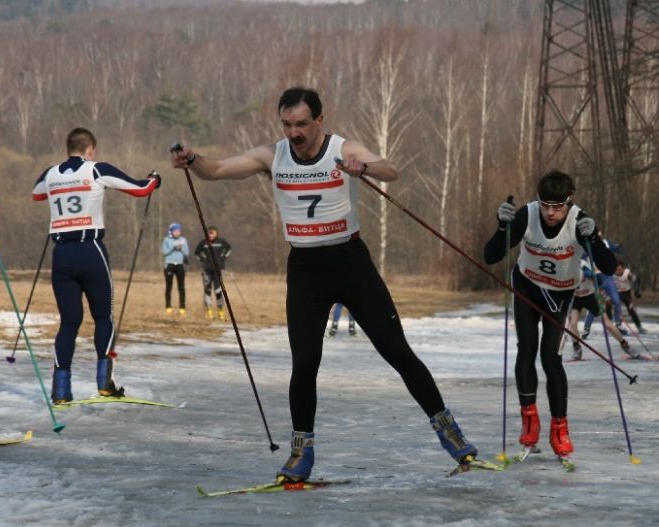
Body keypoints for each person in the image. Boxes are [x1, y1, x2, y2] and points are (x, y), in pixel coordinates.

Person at [170, 86, 480, 482]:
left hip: (350, 263)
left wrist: (361, 168)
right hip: (305, 269)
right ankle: (301, 454)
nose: (293, 133)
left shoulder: (343, 148)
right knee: (304, 364)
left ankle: (452, 437)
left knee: (396, 351)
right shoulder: (273, 154)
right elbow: (216, 170)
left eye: (301, 124)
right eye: (286, 124)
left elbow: (390, 169)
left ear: (319, 120)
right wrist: (193, 159)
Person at [484, 171, 616, 461]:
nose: (550, 213)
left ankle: (560, 429)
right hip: (527, 289)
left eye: (558, 206)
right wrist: (501, 226)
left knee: (550, 358)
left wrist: (593, 236)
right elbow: (491, 256)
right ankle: (530, 422)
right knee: (526, 350)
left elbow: (608, 267)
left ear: (569, 202)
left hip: (560, 295)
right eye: (546, 205)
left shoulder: (580, 221)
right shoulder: (526, 215)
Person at [32, 127, 159, 404]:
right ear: (90, 149)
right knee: (103, 317)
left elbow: (37, 194)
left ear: (68, 148)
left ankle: (61, 391)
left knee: (69, 323)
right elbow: (141, 189)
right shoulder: (96, 169)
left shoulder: (50, 173)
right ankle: (104, 383)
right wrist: (154, 179)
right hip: (90, 250)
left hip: (61, 255)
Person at [566, 258, 641, 361]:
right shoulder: (563, 268)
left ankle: (625, 345)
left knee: (608, 324)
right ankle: (577, 349)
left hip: (591, 298)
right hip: (577, 299)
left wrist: (589, 274)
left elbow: (597, 279)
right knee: (573, 323)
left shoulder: (582, 263)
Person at [194, 225, 232, 320]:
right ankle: (209, 311)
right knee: (207, 290)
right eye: (209, 233)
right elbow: (196, 253)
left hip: (218, 270)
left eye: (212, 233)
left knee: (218, 290)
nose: (210, 235)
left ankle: (220, 311)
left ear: (216, 233)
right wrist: (203, 258)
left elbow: (229, 249)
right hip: (206, 270)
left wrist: (223, 256)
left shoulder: (221, 241)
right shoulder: (203, 243)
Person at [161, 222, 189, 316]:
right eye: (175, 231)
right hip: (169, 264)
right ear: (171, 231)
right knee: (169, 286)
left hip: (180, 265)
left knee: (181, 287)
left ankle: (182, 308)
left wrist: (181, 248)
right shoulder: (167, 240)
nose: (177, 233)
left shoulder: (183, 240)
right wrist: (173, 247)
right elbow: (164, 252)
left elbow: (187, 252)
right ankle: (168, 307)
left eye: (179, 231)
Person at [613, 259, 646, 334]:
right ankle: (616, 325)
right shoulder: (612, 273)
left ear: (623, 268)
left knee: (631, 310)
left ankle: (639, 327)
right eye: (616, 270)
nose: (618, 272)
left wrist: (637, 292)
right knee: (614, 308)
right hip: (616, 293)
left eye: (620, 270)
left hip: (626, 294)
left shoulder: (627, 274)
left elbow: (637, 280)